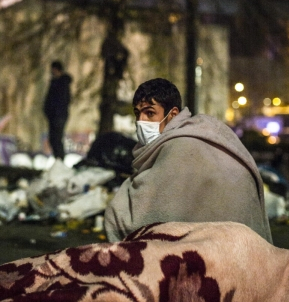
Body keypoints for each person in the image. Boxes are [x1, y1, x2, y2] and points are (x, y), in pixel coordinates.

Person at [104, 77, 272, 243]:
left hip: (220, 251)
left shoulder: (180, 145)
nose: (141, 121)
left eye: (150, 113)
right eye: (137, 113)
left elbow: (147, 215)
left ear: (172, 115)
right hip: (245, 246)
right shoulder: (202, 131)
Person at [43, 60, 72, 160]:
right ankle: (58, 160)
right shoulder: (55, 82)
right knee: (53, 139)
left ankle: (60, 160)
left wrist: (55, 113)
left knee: (57, 139)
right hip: (54, 116)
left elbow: (63, 101)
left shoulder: (62, 83)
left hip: (59, 116)